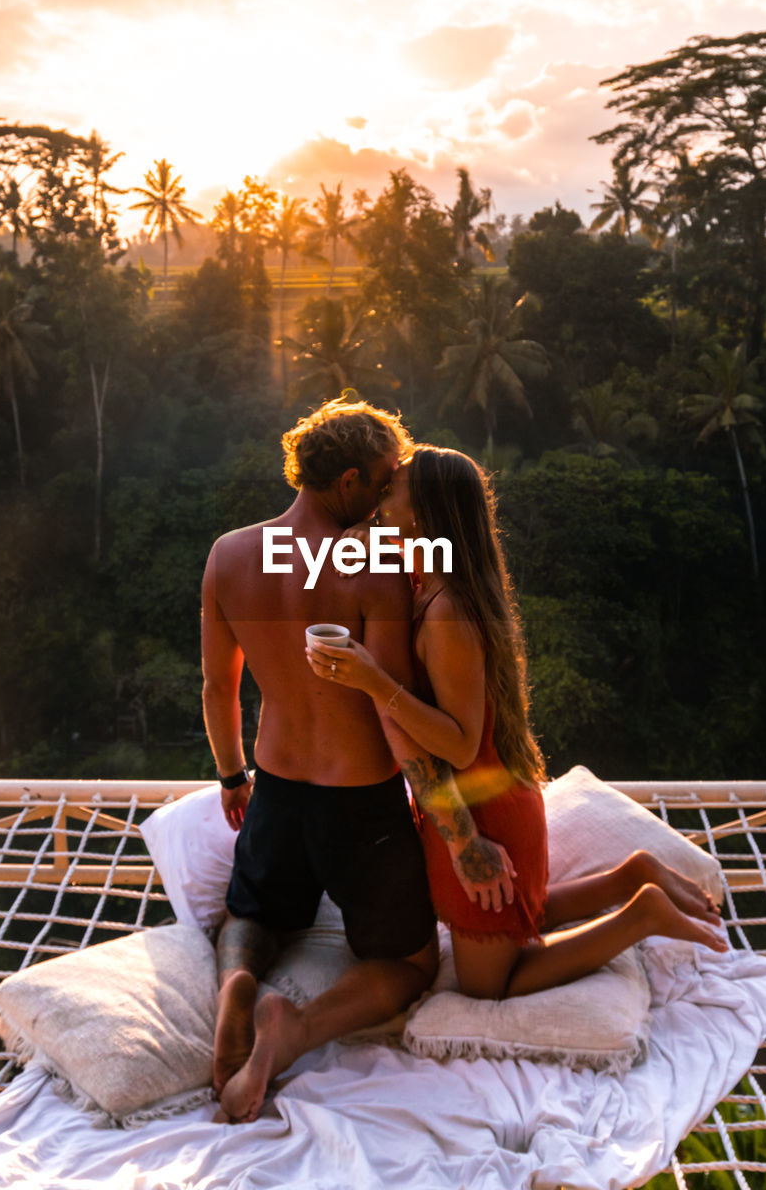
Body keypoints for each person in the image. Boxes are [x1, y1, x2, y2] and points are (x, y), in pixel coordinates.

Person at [307, 445, 726, 1001]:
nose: (380, 499)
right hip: (492, 797)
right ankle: (630, 876)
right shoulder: (430, 582)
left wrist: (374, 681)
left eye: (392, 489)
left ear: (427, 513)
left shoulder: (448, 609)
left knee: (487, 984)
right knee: (518, 911)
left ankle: (639, 915)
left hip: (486, 814)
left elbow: (458, 745)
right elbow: (343, 554)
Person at [201, 402, 514, 1124]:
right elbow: (395, 719)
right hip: (360, 807)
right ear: (346, 482)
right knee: (411, 964)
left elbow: (220, 687)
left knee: (250, 915)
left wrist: (231, 776)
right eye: (379, 488)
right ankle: (297, 1028)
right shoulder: (375, 573)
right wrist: (463, 839)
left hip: (275, 788)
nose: (382, 507)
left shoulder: (229, 554)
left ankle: (236, 991)